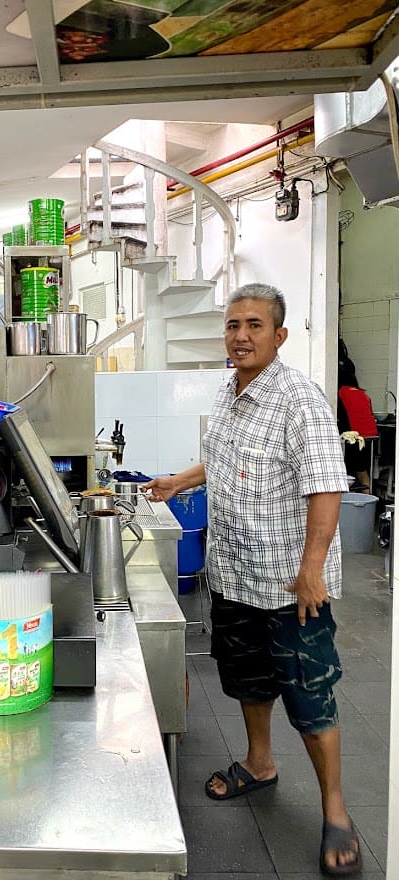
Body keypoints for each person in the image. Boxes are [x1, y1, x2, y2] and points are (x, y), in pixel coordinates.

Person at [142, 283, 360, 876]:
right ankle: (260, 764)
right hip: (234, 575)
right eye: (234, 325)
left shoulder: (301, 401)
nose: (241, 335)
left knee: (310, 696)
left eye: (255, 325)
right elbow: (226, 457)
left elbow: (325, 485)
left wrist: (312, 568)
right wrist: (180, 480)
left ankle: (335, 809)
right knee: (248, 680)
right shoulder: (229, 393)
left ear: (279, 335)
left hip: (291, 587)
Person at [337, 359, 378, 493]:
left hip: (354, 439)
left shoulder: (340, 393)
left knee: (350, 473)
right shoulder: (362, 393)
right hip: (371, 439)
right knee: (363, 473)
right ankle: (370, 503)